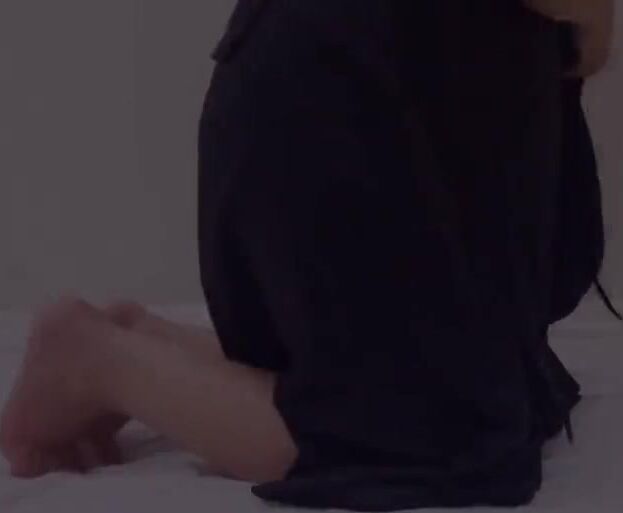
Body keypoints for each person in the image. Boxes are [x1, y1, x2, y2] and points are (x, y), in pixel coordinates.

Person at [0, 0, 614, 510]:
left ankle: (135, 341)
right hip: (355, 90)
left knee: (473, 396)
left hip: (400, 84)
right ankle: (104, 361)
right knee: (427, 445)